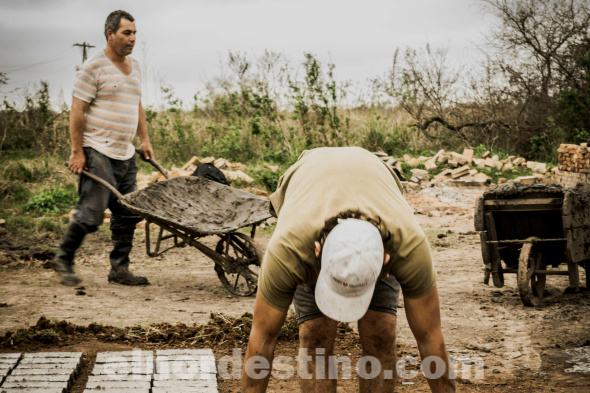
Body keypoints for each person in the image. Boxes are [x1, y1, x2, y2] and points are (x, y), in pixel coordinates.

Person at [243, 147, 456, 392]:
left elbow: (430, 336)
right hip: (308, 186)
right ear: (316, 252)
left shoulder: (409, 246)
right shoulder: (288, 248)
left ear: (386, 260)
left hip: (377, 188)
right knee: (315, 336)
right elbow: (263, 336)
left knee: (381, 331)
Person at [53, 10, 154, 286]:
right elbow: (77, 111)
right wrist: (77, 152)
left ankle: (119, 270)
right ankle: (63, 258)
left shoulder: (135, 67)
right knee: (92, 211)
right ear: (110, 35)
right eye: (126, 33)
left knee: (128, 211)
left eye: (134, 33)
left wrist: (144, 141)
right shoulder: (92, 68)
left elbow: (137, 105)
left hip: (125, 152)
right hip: (97, 150)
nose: (132, 38)